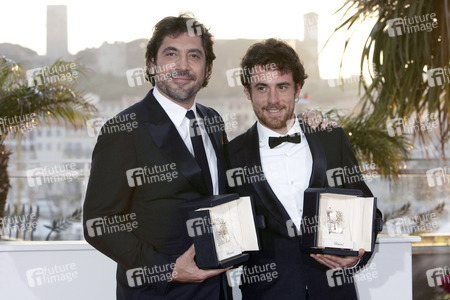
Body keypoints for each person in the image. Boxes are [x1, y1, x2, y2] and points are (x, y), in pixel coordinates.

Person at [83, 14, 232, 300]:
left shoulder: (213, 121)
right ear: (152, 64)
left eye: (194, 56)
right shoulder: (124, 129)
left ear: (207, 68)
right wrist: (167, 270)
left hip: (217, 291)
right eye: (171, 54)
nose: (183, 66)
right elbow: (98, 224)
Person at [225, 38, 382, 299]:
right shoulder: (231, 155)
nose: (273, 99)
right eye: (262, 88)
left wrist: (356, 257)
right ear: (247, 92)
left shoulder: (331, 140)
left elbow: (367, 209)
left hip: (334, 291)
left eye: (282, 87)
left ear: (297, 89)